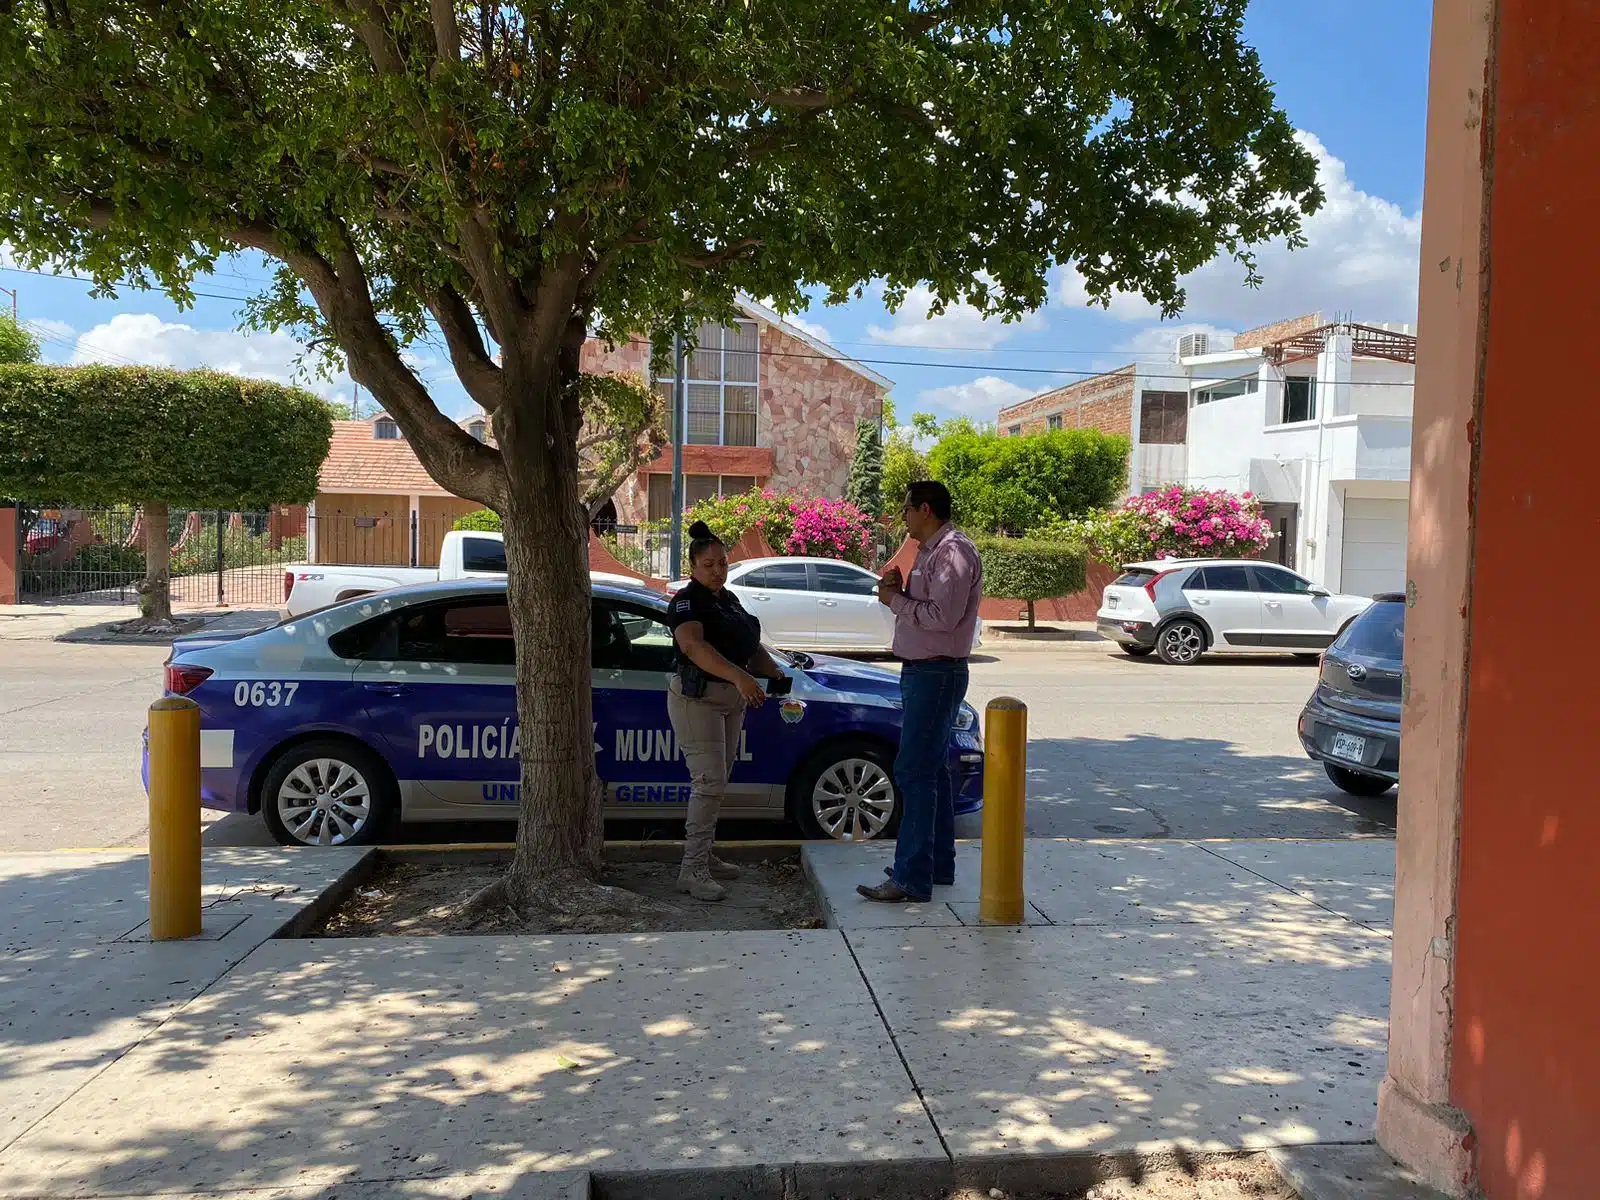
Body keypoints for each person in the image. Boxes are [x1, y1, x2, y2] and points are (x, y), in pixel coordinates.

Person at [857, 480, 983, 903]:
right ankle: (935, 866)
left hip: (936, 673)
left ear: (925, 509)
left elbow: (942, 618)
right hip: (924, 671)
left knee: (914, 772)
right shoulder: (932, 552)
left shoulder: (953, 551)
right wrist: (898, 591)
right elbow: (927, 607)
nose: (903, 518)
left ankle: (912, 877)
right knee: (933, 772)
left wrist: (895, 600)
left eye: (907, 509)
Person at [665, 520, 789, 901]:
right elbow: (694, 648)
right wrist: (741, 678)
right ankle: (692, 869)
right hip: (697, 699)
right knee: (709, 783)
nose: (717, 570)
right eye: (708, 565)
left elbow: (750, 646)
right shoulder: (687, 602)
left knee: (718, 783)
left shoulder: (729, 601)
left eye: (722, 563)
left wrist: (774, 672)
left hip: (732, 701)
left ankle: (704, 856)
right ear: (693, 568)